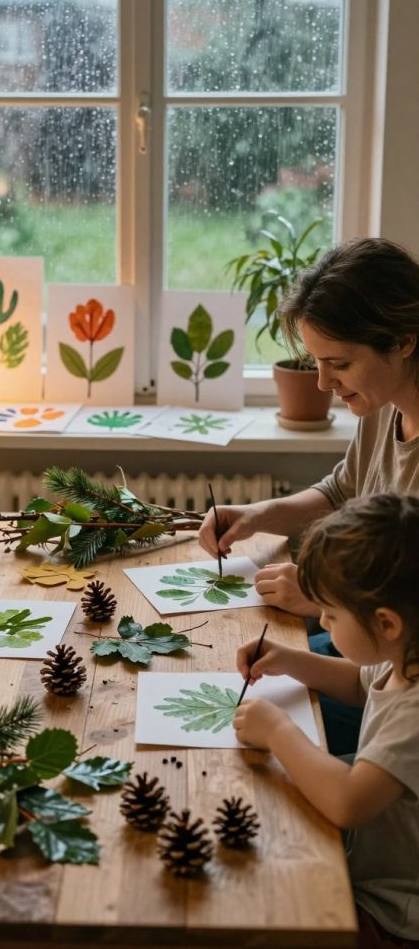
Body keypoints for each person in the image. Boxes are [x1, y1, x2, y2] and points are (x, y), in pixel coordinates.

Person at [198, 237, 419, 754]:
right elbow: (343, 491)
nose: (323, 383)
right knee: (241, 653)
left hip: (398, 667)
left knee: (249, 733)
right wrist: (258, 515)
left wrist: (323, 595)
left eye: (337, 363)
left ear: (403, 341)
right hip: (373, 648)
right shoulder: (383, 403)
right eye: (316, 361)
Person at [234, 493, 419, 949]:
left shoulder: (415, 712)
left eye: (331, 616)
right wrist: (292, 660)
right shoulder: (404, 654)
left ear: (386, 623)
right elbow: (360, 683)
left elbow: (348, 801)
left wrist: (279, 731)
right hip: (369, 861)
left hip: (393, 910)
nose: (324, 624)